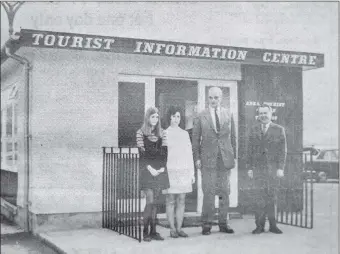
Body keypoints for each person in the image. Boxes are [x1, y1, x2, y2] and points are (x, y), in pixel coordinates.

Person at [192, 86, 236, 235]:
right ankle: (207, 225)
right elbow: (195, 139)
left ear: (221, 98)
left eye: (216, 98)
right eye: (210, 97)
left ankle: (224, 224)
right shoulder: (200, 116)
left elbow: (233, 137)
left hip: (224, 159)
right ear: (207, 98)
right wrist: (197, 158)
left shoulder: (228, 114)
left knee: (224, 192)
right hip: (207, 159)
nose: (213, 100)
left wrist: (232, 155)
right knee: (209, 192)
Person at [247, 103, 287, 234]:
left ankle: (273, 226)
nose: (263, 115)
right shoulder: (253, 129)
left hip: (272, 170)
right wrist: (250, 168)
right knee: (259, 199)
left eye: (266, 113)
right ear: (258, 115)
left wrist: (280, 168)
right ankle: (259, 226)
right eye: (261, 113)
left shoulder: (279, 129)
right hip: (258, 170)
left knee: (271, 198)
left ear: (271, 114)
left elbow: (282, 151)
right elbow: (249, 151)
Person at [136, 107, 170, 242]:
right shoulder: (140, 133)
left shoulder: (163, 133)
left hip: (159, 171)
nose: (155, 119)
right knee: (150, 201)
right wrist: (150, 168)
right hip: (147, 171)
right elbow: (142, 155)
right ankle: (145, 232)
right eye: (152, 117)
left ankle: (154, 231)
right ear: (147, 118)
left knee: (155, 202)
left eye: (157, 117)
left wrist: (161, 169)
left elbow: (165, 153)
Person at [163, 106, 195, 238]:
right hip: (171, 170)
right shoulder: (164, 133)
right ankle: (172, 229)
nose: (175, 119)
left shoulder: (185, 133)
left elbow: (189, 154)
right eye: (173, 116)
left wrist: (191, 173)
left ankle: (179, 228)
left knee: (182, 199)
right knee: (171, 199)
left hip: (184, 170)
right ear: (169, 117)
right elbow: (163, 155)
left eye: (178, 117)